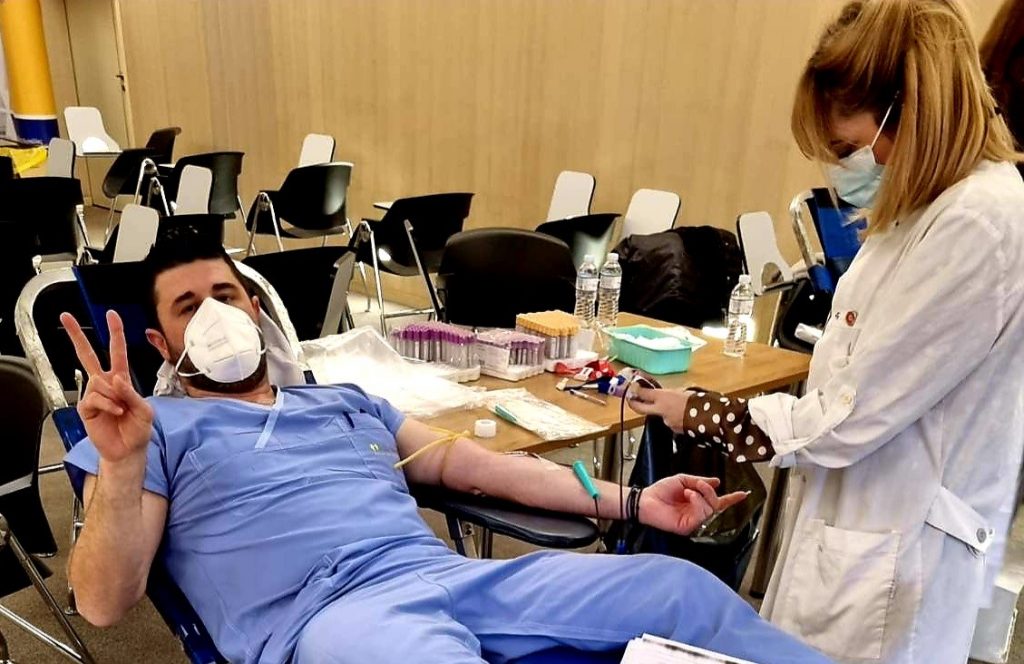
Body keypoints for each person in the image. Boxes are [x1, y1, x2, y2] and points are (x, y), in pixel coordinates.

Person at [59, 233, 829, 664]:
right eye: (188, 307)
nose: (214, 316)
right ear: (161, 342)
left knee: (676, 590)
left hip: (449, 576)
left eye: (224, 295)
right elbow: (100, 602)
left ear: (255, 308)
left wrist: (632, 501)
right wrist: (121, 466)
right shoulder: (150, 431)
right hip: (328, 616)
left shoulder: (343, 400)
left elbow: (474, 466)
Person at [630, 1, 1024, 662]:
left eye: (848, 149)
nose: (842, 171)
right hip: (862, 530)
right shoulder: (927, 209)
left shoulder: (977, 223)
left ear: (911, 111)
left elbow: (849, 415)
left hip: (897, 560)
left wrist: (706, 414)